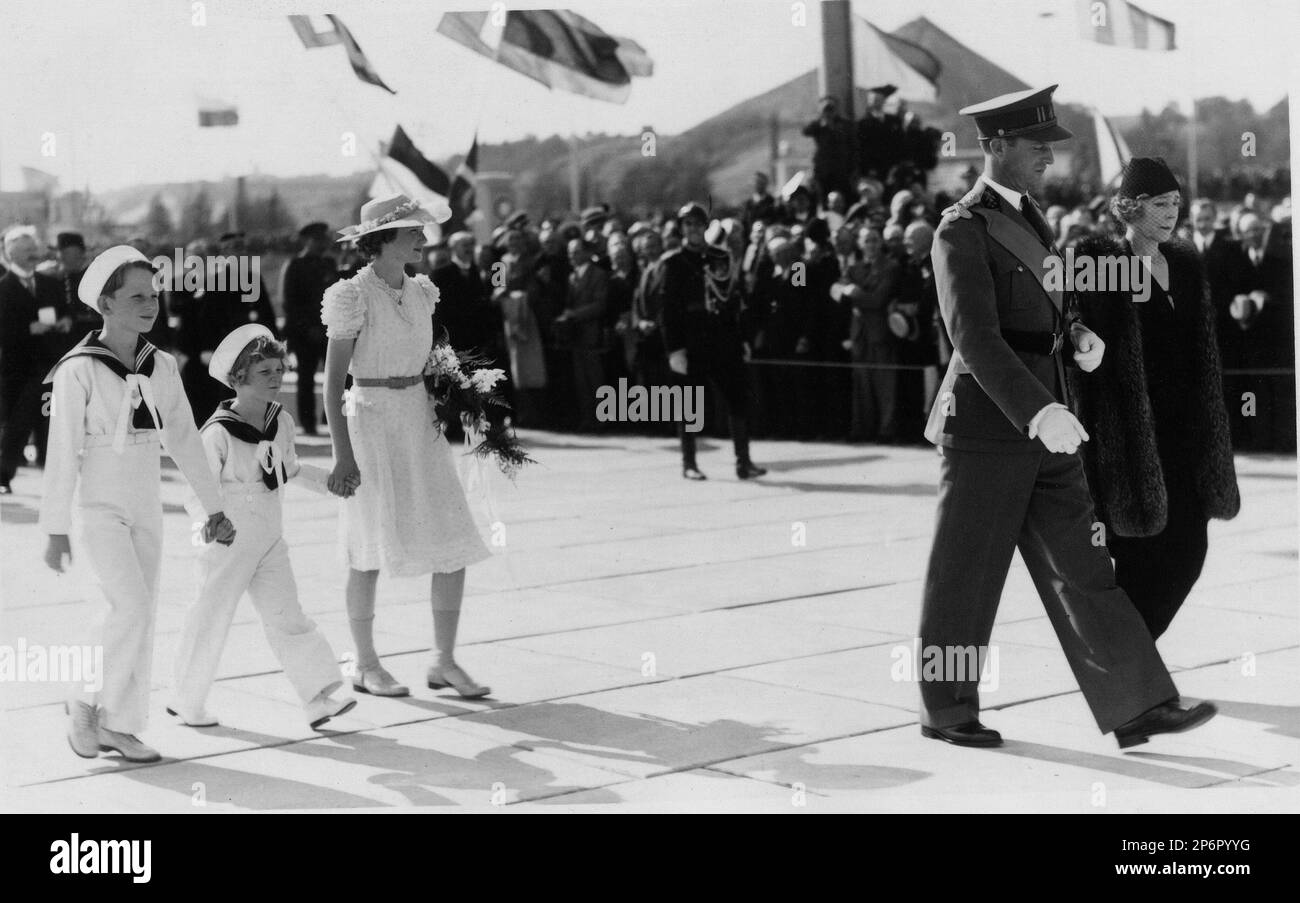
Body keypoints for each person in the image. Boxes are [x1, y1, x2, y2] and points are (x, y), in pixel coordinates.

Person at [921, 86, 1216, 749]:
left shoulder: (1033, 220)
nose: (1049, 158)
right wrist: (1038, 410)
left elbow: (1047, 308)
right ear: (997, 146)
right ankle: (945, 709)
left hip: (1050, 418)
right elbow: (974, 338)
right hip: (991, 425)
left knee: (1085, 569)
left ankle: (1139, 704)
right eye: (1037, 146)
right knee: (966, 577)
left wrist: (1075, 334)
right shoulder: (960, 229)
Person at [40, 246, 236, 763]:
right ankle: (83, 698)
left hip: (145, 499)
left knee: (142, 610)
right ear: (105, 304)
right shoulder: (78, 368)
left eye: (153, 295)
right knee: (127, 605)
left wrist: (213, 507)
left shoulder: (161, 365)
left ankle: (120, 724)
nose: (150, 305)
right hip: (99, 503)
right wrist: (55, 526)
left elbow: (185, 438)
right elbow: (62, 448)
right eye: (136, 297)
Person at [322, 194, 492, 699]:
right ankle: (365, 664)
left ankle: (444, 660)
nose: (423, 237)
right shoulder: (351, 295)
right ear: (382, 240)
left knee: (452, 536)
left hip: (419, 421)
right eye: (412, 230)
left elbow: (429, 358)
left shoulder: (423, 290)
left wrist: (461, 391)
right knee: (367, 547)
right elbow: (332, 386)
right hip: (369, 423)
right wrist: (342, 455)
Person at [1069, 157, 1240, 640]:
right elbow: (1071, 319)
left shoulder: (1184, 264)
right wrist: (1080, 334)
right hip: (1130, 438)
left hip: (1186, 434)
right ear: (1131, 207)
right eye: (1160, 204)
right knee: (1141, 558)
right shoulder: (1102, 263)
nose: (1171, 214)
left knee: (1189, 552)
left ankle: (1125, 658)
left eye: (1176, 204)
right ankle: (1128, 666)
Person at [171, 324, 357, 729]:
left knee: (287, 614)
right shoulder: (219, 431)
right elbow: (197, 483)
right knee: (211, 616)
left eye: (279, 370)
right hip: (230, 534)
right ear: (238, 378)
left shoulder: (281, 420)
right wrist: (210, 520)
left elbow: (289, 469)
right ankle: (187, 701)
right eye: (264, 372)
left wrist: (329, 483)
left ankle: (317, 698)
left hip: (270, 534)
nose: (275, 379)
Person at [658, 202, 766, 479]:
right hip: (692, 339)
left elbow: (734, 301)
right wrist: (674, 350)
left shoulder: (721, 257)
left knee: (737, 399)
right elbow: (668, 311)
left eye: (698, 224)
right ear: (682, 229)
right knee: (688, 404)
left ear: (706, 227)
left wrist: (743, 338)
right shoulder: (673, 263)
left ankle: (744, 462)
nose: (693, 229)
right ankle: (689, 463)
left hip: (723, 337)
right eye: (688, 224)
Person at [0, 227, 67, 492]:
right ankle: (3, 476)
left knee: (50, 422)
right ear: (11, 253)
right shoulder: (3, 288)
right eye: (26, 250)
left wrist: (65, 321)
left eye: (33, 249)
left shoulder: (50, 283)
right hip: (18, 369)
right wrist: (28, 329)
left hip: (50, 365)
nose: (33, 254)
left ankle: (53, 478)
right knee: (17, 424)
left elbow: (65, 311)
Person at [842, 226, 901, 442]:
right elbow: (838, 293)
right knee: (861, 383)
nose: (871, 245)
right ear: (859, 243)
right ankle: (861, 429)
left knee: (885, 384)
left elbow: (878, 300)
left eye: (875, 240)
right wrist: (849, 293)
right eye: (866, 240)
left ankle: (886, 430)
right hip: (859, 333)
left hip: (880, 332)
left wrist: (855, 295)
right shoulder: (853, 268)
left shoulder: (891, 267)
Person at [280, 222, 338, 436]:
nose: (323, 244)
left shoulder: (329, 264)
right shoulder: (295, 265)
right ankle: (308, 422)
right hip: (305, 334)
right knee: (306, 378)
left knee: (337, 377)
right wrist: (307, 327)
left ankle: (330, 418)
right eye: (318, 240)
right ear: (308, 241)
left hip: (330, 331)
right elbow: (289, 303)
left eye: (324, 239)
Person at [555, 238, 609, 432]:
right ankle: (588, 419)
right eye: (570, 252)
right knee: (581, 381)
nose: (572, 256)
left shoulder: (598, 274)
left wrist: (574, 314)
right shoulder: (572, 277)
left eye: (576, 252)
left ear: (586, 252)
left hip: (591, 334)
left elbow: (600, 304)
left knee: (595, 379)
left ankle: (601, 420)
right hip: (576, 335)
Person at [802, 96, 854, 202]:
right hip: (823, 171)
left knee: (843, 198)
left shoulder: (844, 124)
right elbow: (806, 131)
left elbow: (852, 145)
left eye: (831, 108)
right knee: (824, 199)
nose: (829, 112)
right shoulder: (818, 125)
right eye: (826, 109)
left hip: (841, 170)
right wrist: (821, 119)